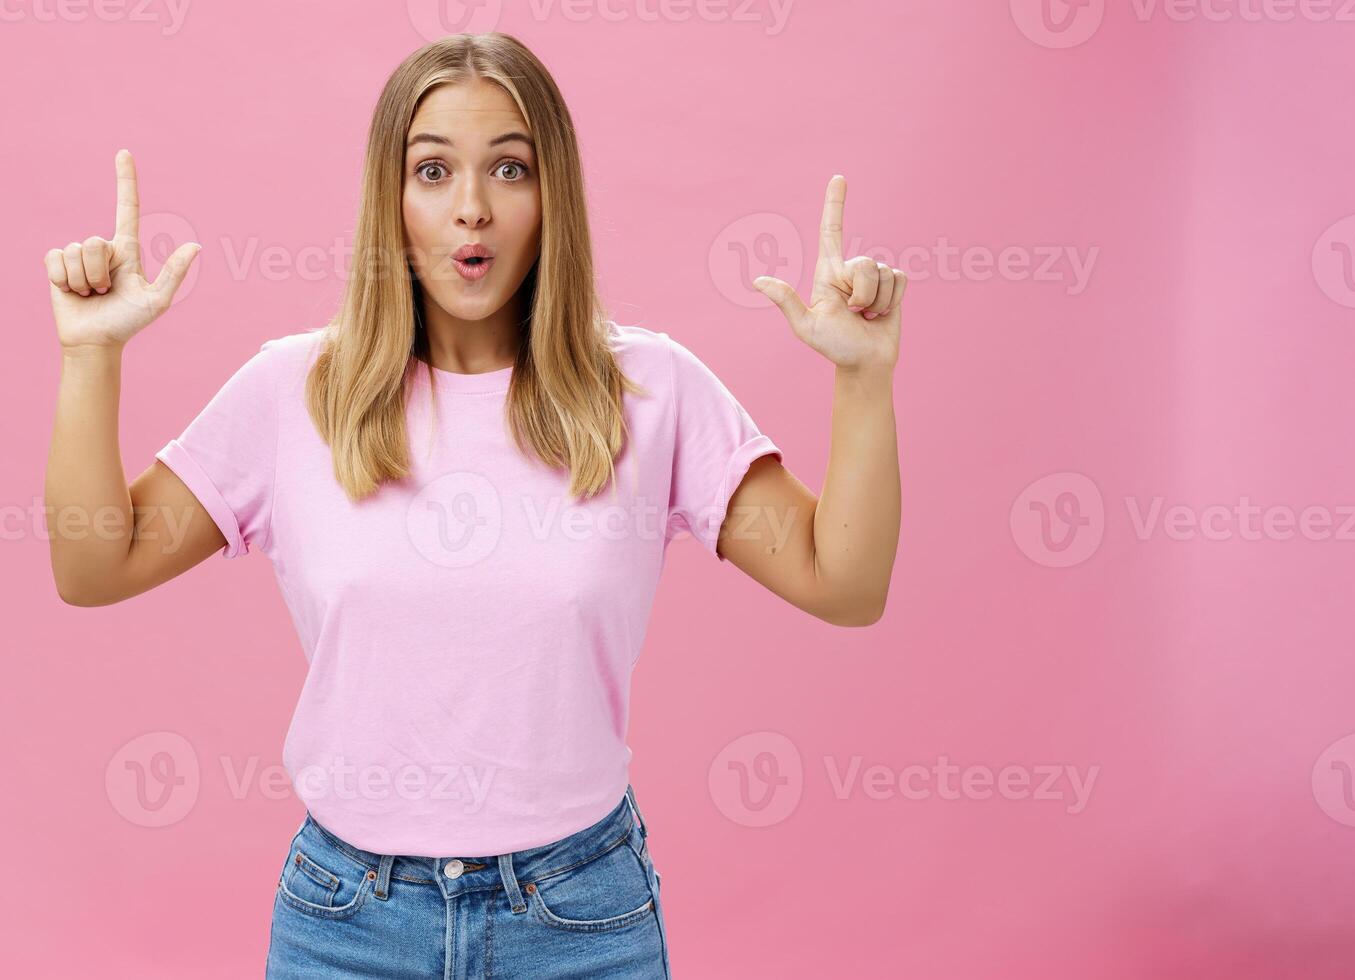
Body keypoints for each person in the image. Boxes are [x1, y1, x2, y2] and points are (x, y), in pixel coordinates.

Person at [42, 32, 903, 978]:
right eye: (433, 170)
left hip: (581, 918)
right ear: (390, 197)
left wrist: (863, 379)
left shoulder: (650, 390)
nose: (472, 209)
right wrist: (91, 357)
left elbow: (845, 581)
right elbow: (94, 565)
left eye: (509, 167)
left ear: (553, 195)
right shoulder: (294, 392)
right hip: (347, 923)